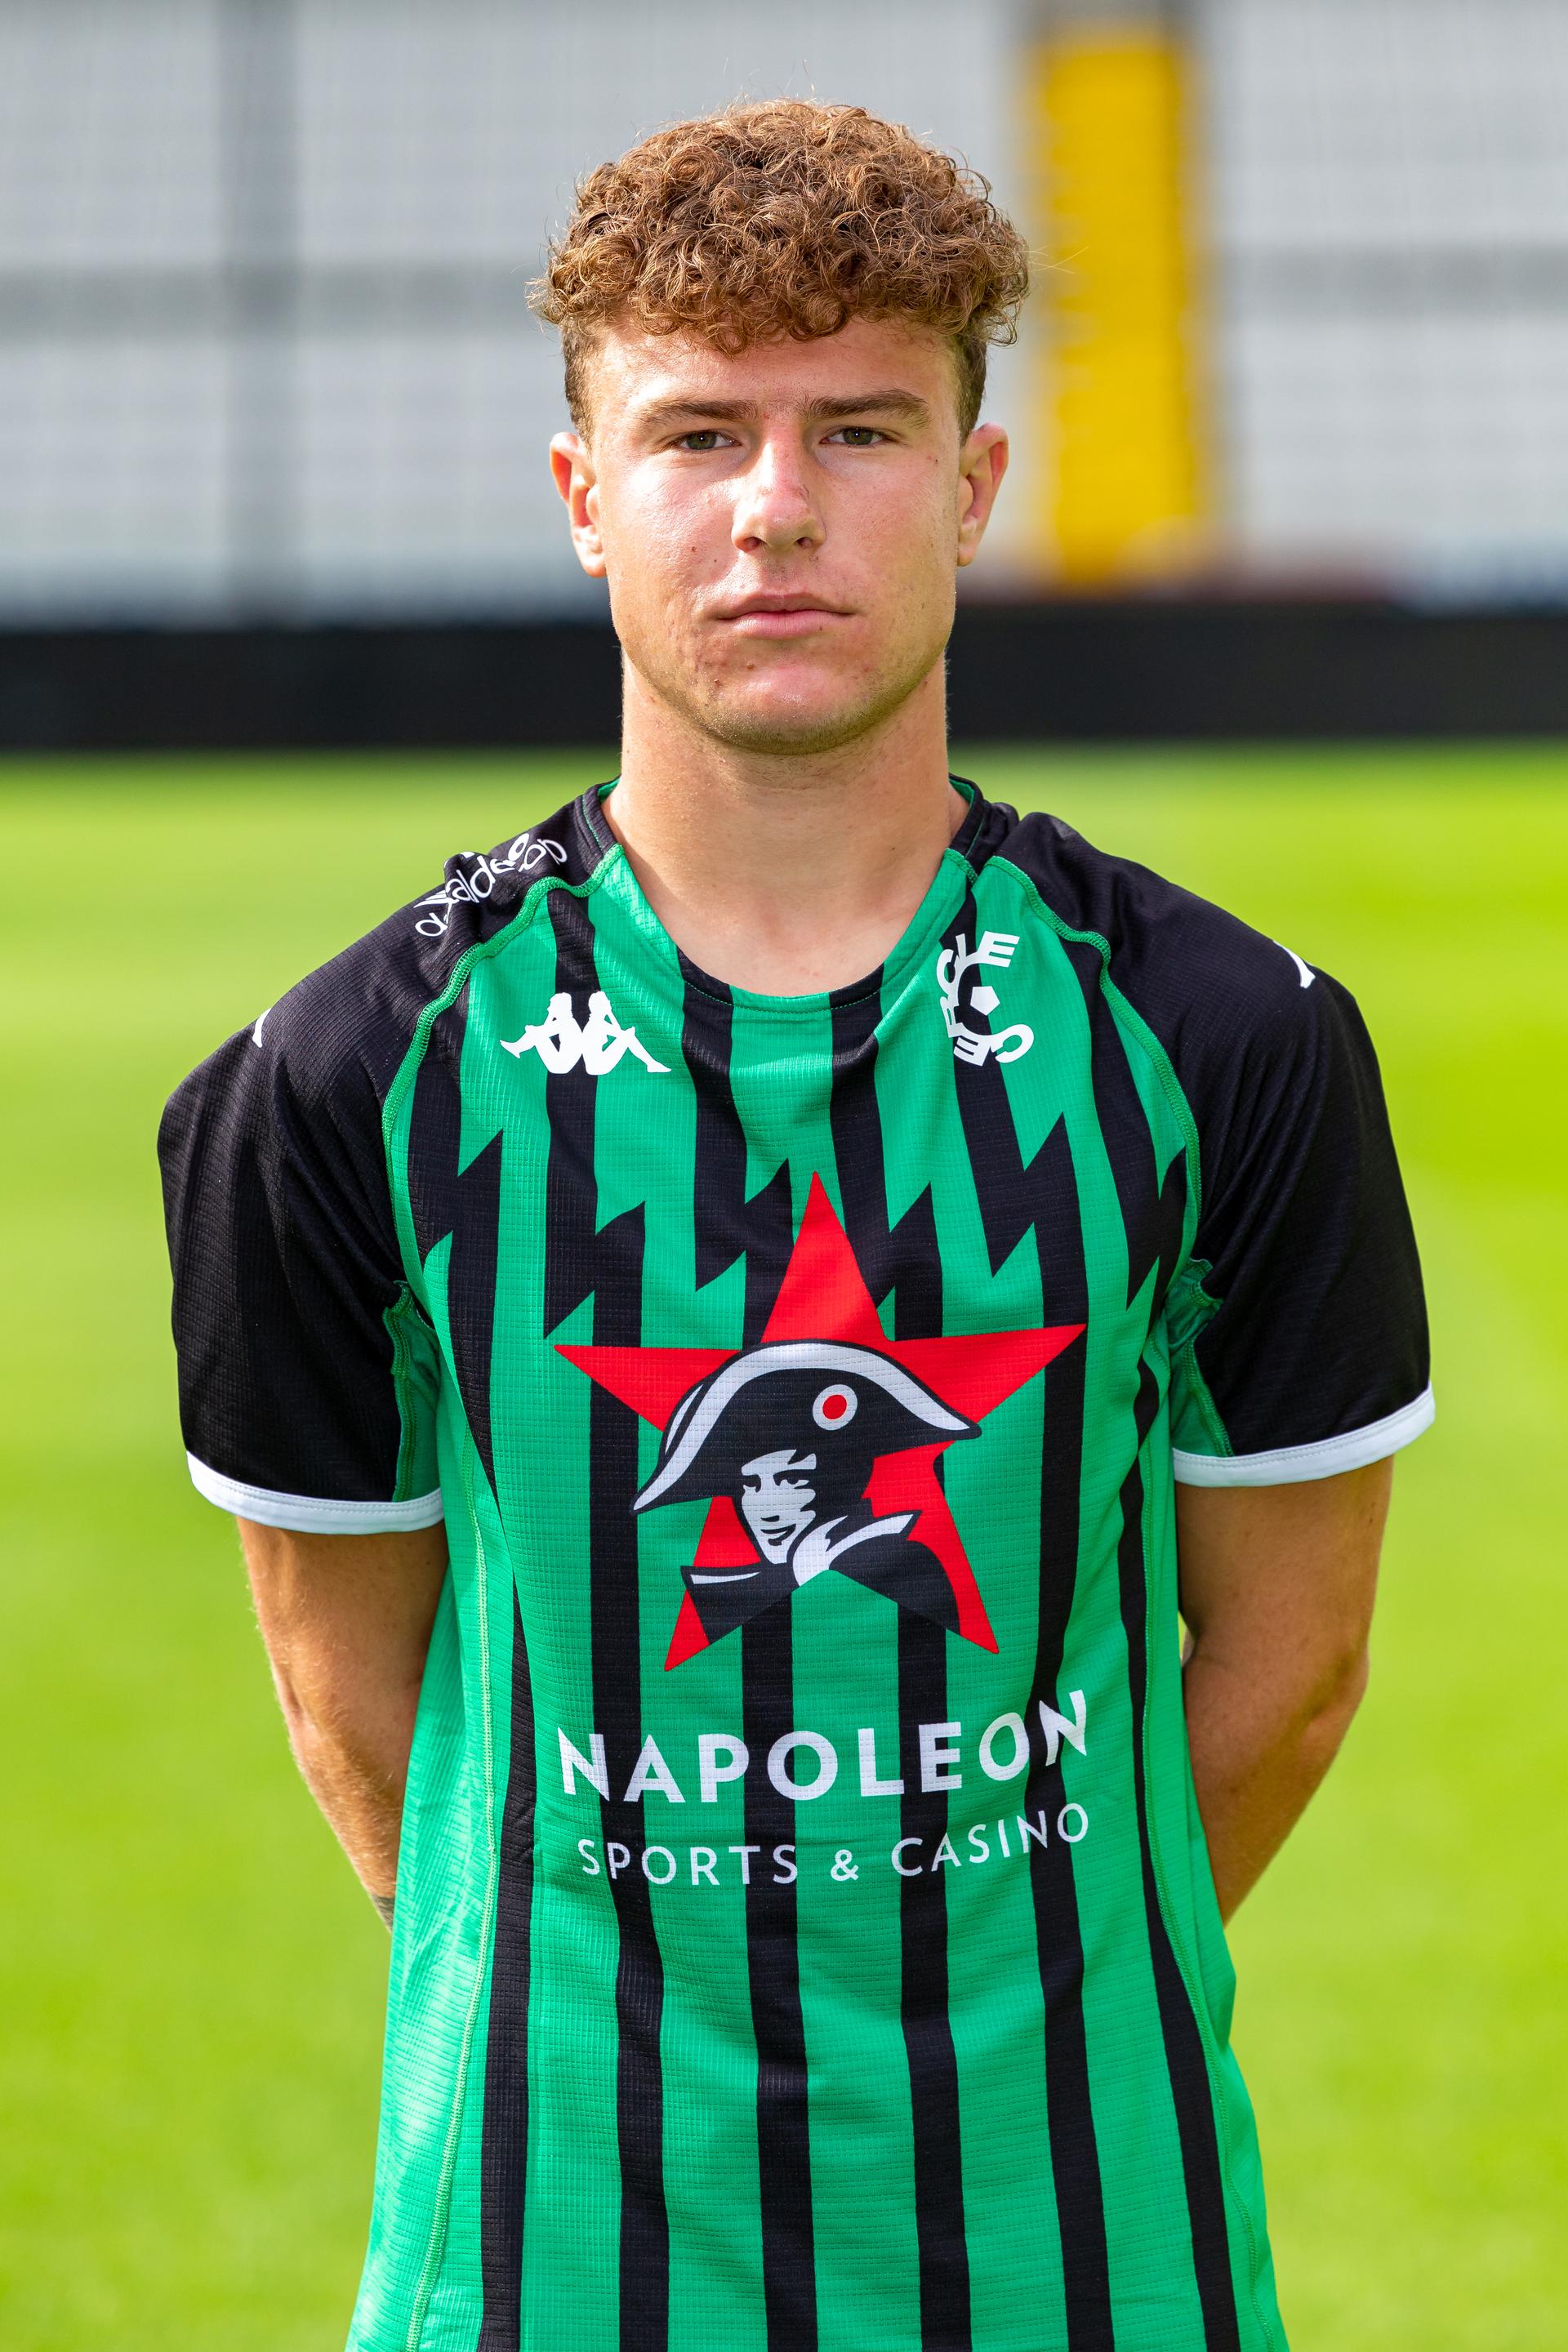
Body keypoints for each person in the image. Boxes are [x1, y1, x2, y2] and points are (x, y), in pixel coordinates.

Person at [158, 99, 1432, 2352]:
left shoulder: (1231, 1039)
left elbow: (1295, 1677)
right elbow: (347, 1698)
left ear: (976, 481)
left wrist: (997, 2004)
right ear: (584, 496)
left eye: (858, 429)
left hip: (1086, 2253)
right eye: (696, 436)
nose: (775, 508)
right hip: (544, 2262)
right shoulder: (340, 1079)